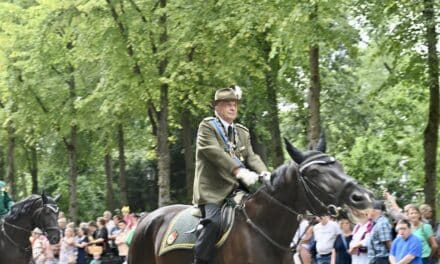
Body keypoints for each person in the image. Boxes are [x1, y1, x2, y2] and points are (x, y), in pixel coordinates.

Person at [192, 85, 270, 264]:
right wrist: (239, 170)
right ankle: (200, 261)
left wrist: (265, 173)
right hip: (212, 192)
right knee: (214, 224)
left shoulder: (242, 131)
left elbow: (251, 156)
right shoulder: (207, 127)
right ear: (217, 107)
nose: (233, 108)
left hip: (238, 191)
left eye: (235, 104)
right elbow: (215, 153)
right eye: (227, 104)